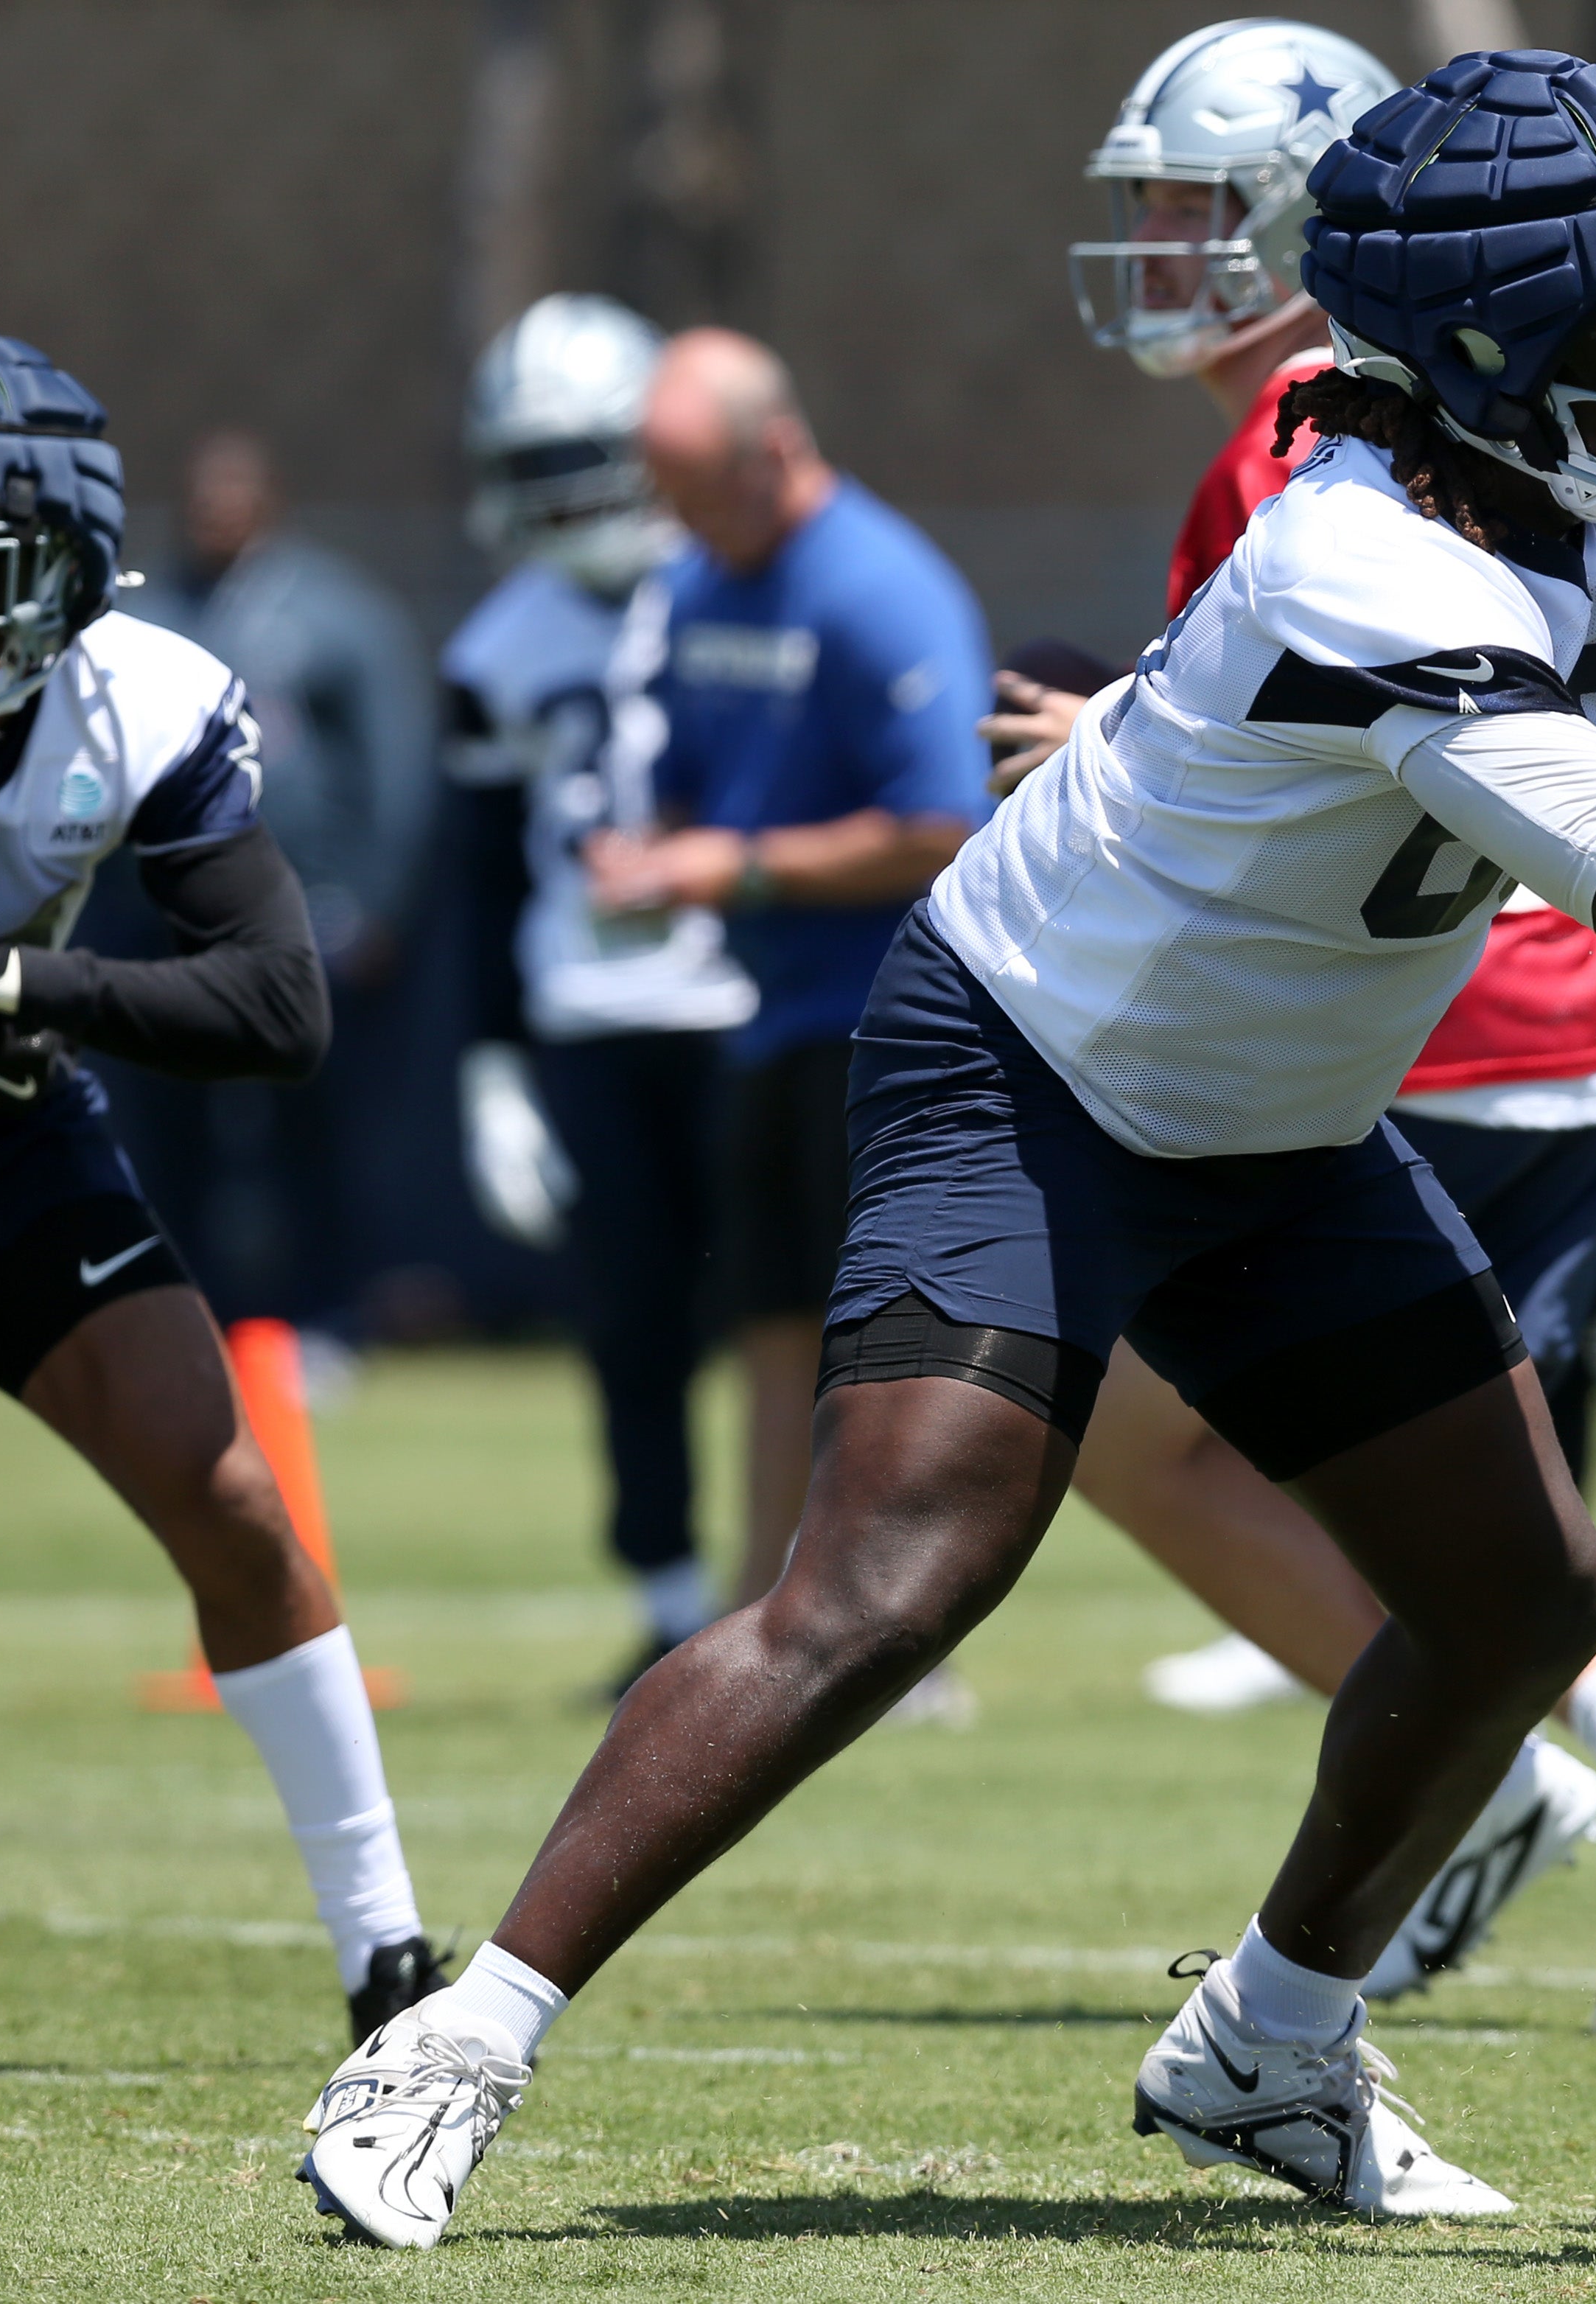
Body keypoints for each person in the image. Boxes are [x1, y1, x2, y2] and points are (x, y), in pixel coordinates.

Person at [291, 47, 1596, 2242]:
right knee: (890, 1579)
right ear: (1486, 342)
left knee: (1522, 1601)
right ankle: (462, 2032)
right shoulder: (1361, 559)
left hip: (1276, 1112)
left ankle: (1272, 2045)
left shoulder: (1580, 456)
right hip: (1031, 1067)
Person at [1012, 18, 1596, 2020]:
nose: (1163, 244)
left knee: (1169, 1444)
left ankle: (1584, 1767)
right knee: (1433, 1488)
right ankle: (1580, 1763)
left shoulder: (1309, 432)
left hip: (1424, 1028)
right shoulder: (1334, 423)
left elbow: (1327, 733)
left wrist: (1096, 742)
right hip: (1533, 1021)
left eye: (1197, 207)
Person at [0, 330, 447, 2040]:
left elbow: (277, 1004)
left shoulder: (148, 694)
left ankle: (387, 1955)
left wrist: (11, 986)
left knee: (237, 1499)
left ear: (63, 567)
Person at [584, 329, 993, 1684]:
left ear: (774, 451)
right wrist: (658, 857)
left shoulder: (876, 587)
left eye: (694, 486)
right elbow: (698, 783)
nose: (677, 520)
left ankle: (897, 1627)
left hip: (892, 1019)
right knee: (769, 1324)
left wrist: (738, 867)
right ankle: (772, 1620)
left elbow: (945, 820)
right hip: (763, 1014)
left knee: (881, 1343)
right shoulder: (703, 585)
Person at [444, 295, 752, 1690]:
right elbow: (480, 882)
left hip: (749, 998)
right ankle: (673, 1602)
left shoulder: (746, 586)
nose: (567, 493)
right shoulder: (495, 649)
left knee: (794, 1315)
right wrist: (489, 1065)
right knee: (630, 1320)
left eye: (588, 455)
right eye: (540, 461)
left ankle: (825, 1594)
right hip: (586, 1009)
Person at [104, 428, 437, 1336]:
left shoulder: (333, 613)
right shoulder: (150, 614)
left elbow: (396, 766)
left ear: (270, 501)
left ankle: (327, 1314)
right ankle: (189, 1319)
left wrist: (377, 906)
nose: (218, 512)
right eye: (203, 496)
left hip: (307, 920)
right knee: (173, 1136)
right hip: (168, 922)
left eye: (236, 493)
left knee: (312, 1127)